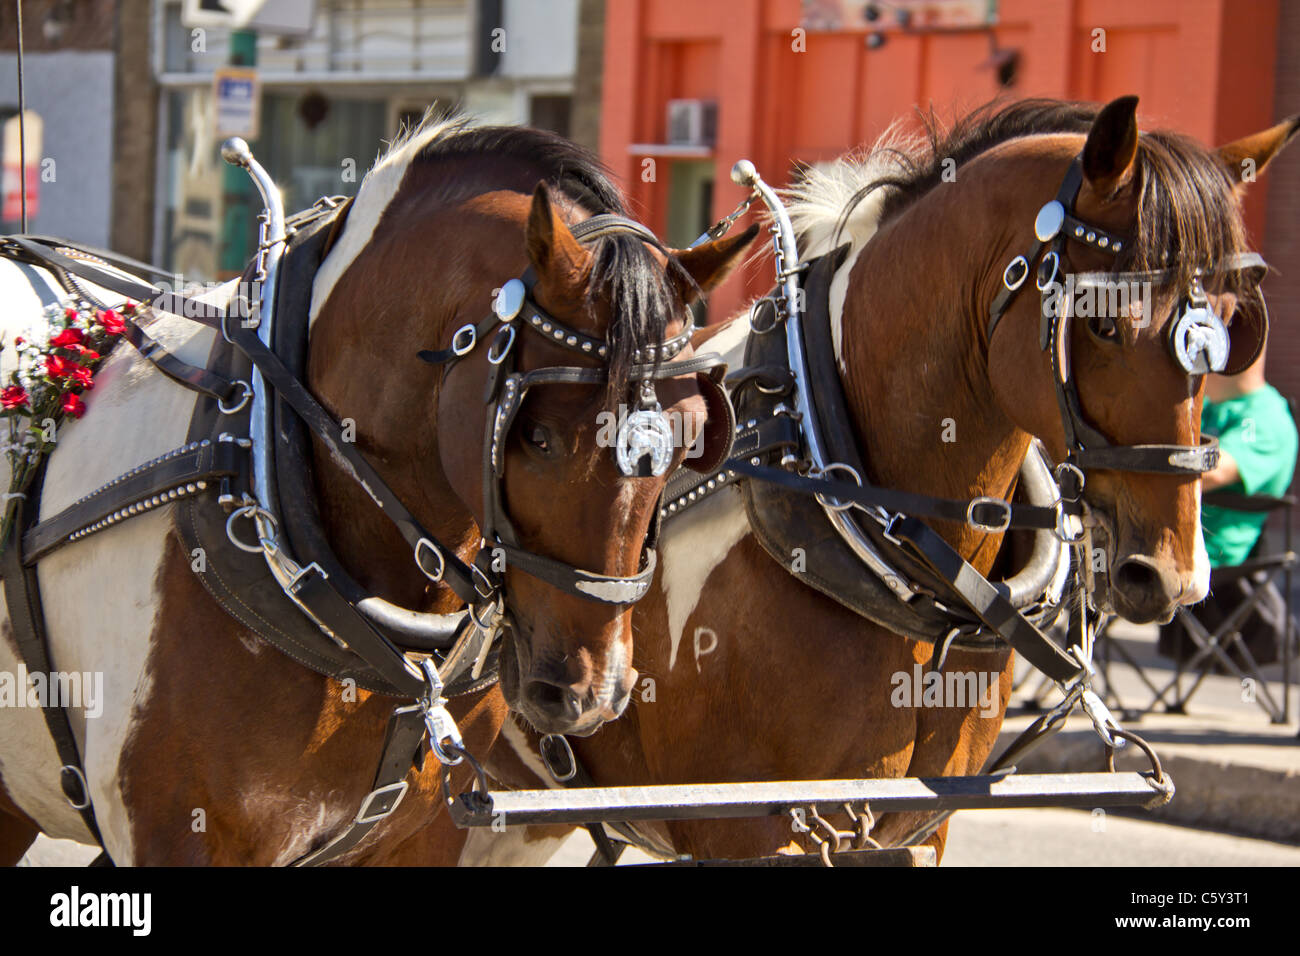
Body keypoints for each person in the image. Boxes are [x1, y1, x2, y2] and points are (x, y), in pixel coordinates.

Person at [1159, 348, 1298, 665]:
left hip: (1214, 563)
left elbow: (1210, 471)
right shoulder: (1203, 403)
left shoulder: (1264, 417)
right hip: (1158, 540)